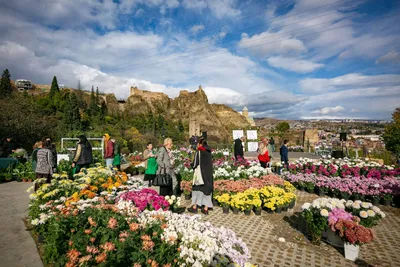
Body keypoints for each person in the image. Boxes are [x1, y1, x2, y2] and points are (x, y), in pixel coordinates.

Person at [187, 137, 214, 215]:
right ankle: (205, 209)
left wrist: (191, 164)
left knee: (197, 189)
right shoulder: (209, 151)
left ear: (200, 144)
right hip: (208, 174)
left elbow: (195, 164)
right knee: (206, 190)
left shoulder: (199, 151)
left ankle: (194, 207)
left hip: (200, 174)